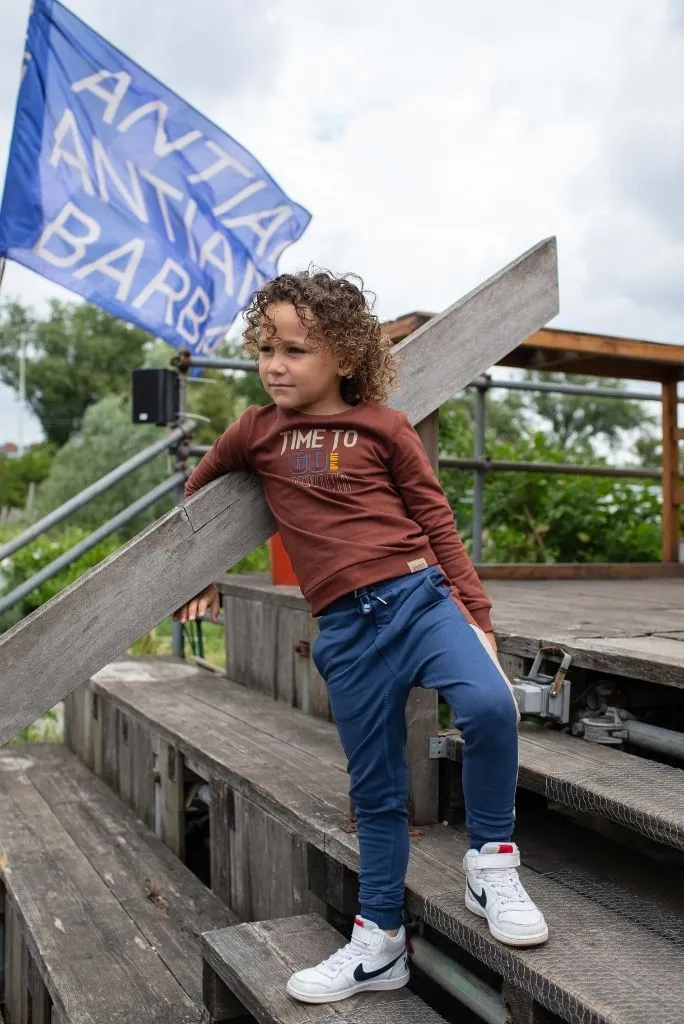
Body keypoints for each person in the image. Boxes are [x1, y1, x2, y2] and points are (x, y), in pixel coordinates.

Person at [175, 269, 548, 1005]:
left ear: (344, 357)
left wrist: (477, 617)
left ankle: (492, 863)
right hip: (345, 630)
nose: (275, 365)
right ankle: (379, 944)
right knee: (375, 791)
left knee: (490, 706)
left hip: (419, 598)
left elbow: (438, 522)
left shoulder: (385, 427)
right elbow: (199, 495)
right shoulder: (254, 431)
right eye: (265, 349)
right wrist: (200, 573)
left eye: (296, 350)